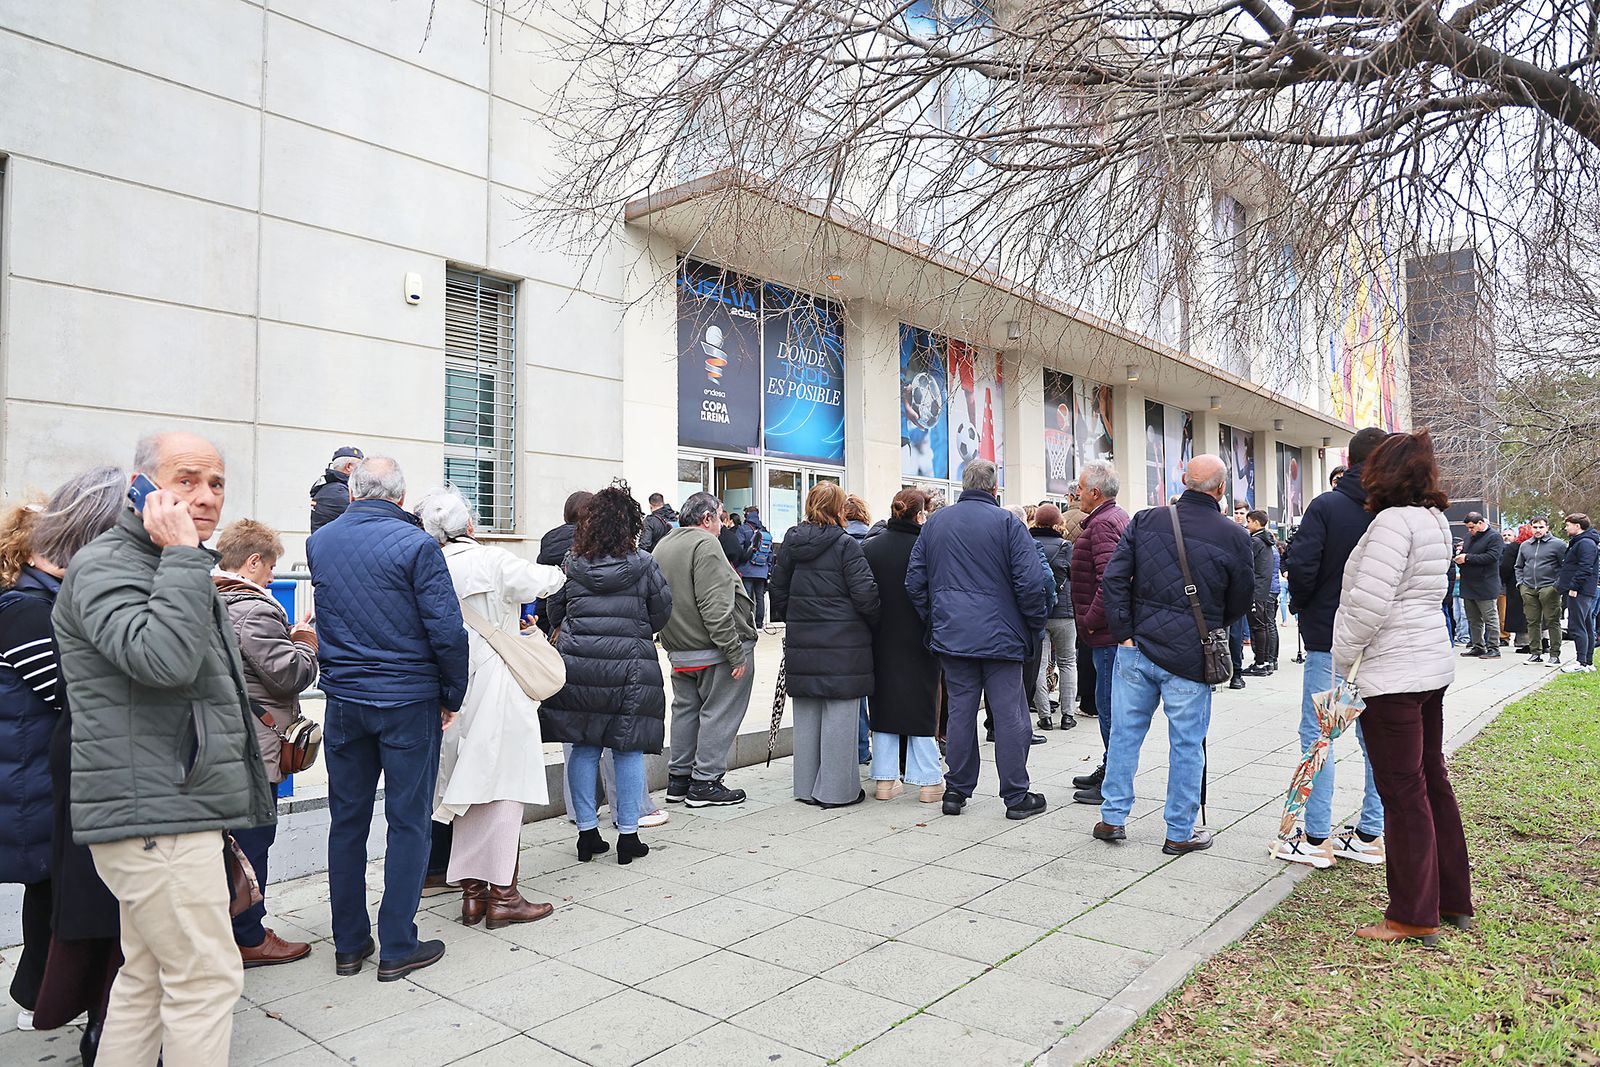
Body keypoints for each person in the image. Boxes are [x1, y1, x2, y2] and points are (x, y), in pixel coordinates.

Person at [53, 433, 275, 1063]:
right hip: (157, 816)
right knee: (206, 981)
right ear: (143, 486)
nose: (205, 497)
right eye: (186, 480)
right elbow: (163, 660)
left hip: (169, 809)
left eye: (217, 483)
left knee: (147, 979)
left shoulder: (161, 562)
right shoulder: (111, 566)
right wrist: (182, 557)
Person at [307, 456, 468, 982]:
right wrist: (452, 695)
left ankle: (349, 944)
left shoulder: (321, 543)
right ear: (401, 498)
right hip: (406, 699)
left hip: (346, 700)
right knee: (408, 820)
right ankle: (398, 941)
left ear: (353, 493)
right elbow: (447, 631)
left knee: (347, 823)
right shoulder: (418, 546)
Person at [5, 469, 126, 1066]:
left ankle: (44, 994)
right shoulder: (26, 610)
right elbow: (73, 693)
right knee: (55, 891)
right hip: (36, 780)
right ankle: (42, 995)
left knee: (53, 889)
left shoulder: (44, 602)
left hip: (37, 773)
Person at [1332, 431, 1469, 945]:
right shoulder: (1433, 519)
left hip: (1392, 673)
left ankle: (1413, 913)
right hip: (1427, 665)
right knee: (1431, 779)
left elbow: (1367, 605)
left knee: (1403, 789)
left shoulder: (1391, 523)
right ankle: (1452, 898)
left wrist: (1342, 657)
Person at [415, 489, 564, 925]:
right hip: (499, 678)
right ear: (471, 526)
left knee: (466, 785)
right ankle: (504, 895)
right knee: (504, 787)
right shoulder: (492, 560)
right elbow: (546, 581)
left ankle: (473, 894)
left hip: (454, 686)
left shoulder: (430, 564)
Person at [1092, 454, 1252, 855]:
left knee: (1125, 735)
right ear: (1221, 489)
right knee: (1186, 742)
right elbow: (1241, 600)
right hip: (1193, 656)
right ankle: (1179, 830)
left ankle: (1113, 817)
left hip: (1138, 649)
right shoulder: (1234, 535)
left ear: (1183, 480)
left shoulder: (1147, 520)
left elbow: (1114, 579)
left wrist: (1125, 633)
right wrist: (1213, 625)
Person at [908, 459, 1048, 821]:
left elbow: (915, 581)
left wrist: (937, 617)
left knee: (960, 711)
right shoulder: (1008, 524)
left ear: (963, 485)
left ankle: (956, 789)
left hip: (954, 634)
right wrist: (1032, 625)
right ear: (994, 488)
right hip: (1001, 636)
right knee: (1009, 714)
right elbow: (1030, 583)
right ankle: (1016, 795)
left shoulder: (936, 523)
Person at [541, 485, 673, 864]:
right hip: (631, 665)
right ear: (630, 524)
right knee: (627, 748)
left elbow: (555, 609)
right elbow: (661, 611)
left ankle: (586, 833)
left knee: (582, 746)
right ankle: (628, 836)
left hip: (579, 664)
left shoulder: (571, 563)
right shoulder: (644, 563)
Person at [1279, 426, 1391, 869]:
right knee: (1376, 739)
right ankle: (1369, 832)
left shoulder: (1326, 506)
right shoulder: (1396, 510)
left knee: (1320, 737)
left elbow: (1303, 565)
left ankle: (1317, 836)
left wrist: (1304, 607)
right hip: (1382, 642)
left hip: (1329, 636)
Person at [212, 520, 317, 968]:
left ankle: (227, 930)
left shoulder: (206, 597)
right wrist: (306, 641)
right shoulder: (252, 610)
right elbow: (289, 674)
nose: (273, 577)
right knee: (254, 840)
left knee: (227, 842)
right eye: (270, 567)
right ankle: (249, 935)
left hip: (220, 739)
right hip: (252, 746)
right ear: (252, 562)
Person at [770, 483, 881, 807]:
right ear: (839, 509)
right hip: (843, 643)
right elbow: (866, 595)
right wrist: (869, 624)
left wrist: (799, 617)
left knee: (806, 714)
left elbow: (777, 589)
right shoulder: (846, 545)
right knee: (840, 716)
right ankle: (835, 791)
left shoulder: (791, 541)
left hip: (804, 641)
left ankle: (805, 788)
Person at [654, 492, 757, 807]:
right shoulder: (705, 544)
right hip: (713, 649)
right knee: (719, 712)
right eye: (721, 516)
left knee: (686, 710)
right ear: (706, 518)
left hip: (679, 648)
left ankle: (680, 780)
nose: (724, 523)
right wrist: (734, 652)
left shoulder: (664, 544)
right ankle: (705, 783)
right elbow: (715, 606)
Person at [861, 489, 944, 802]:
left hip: (881, 636)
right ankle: (928, 780)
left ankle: (885, 780)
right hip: (920, 637)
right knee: (921, 705)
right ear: (921, 514)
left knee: (883, 703)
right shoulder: (927, 548)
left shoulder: (871, 548)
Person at [1068, 459, 1130, 805]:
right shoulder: (1110, 519)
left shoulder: (1105, 524)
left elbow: (1111, 581)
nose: (1076, 492)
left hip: (1105, 635)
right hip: (1106, 634)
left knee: (1109, 711)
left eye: (1079, 487)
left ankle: (1113, 778)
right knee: (1110, 709)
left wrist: (1089, 619)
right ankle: (1110, 767)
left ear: (1094, 491)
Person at [1030, 503, 1077, 732]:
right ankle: (1068, 715)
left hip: (1038, 612)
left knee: (1040, 664)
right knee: (1068, 662)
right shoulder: (1066, 546)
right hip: (1065, 613)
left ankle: (1045, 716)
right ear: (1058, 521)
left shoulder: (1028, 544)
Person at [845, 494, 876, 763]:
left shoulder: (837, 542)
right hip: (869, 624)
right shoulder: (872, 541)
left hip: (843, 628)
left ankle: (857, 748)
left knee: (852, 694)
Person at [1515, 518, 1567, 665]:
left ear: (1547, 528)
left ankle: (1554, 654)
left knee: (1552, 621)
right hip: (1529, 587)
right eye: (1535, 527)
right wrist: (1521, 584)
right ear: (1530, 528)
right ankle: (1535, 653)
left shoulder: (1558, 544)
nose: (1538, 530)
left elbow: (1565, 567)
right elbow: (1518, 566)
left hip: (1549, 587)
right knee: (1532, 622)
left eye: (1541, 527)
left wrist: (1556, 586)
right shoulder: (1525, 545)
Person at [1454, 512, 1503, 658]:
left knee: (1490, 618)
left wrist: (1467, 558)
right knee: (1473, 619)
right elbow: (1465, 552)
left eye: (1472, 527)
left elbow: (1492, 557)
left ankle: (1494, 648)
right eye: (1468, 528)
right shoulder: (1469, 536)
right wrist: (1459, 556)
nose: (1470, 530)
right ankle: (1478, 646)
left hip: (1486, 584)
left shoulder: (1494, 537)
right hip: (1469, 583)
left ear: (1481, 523)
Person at [1557, 513, 1599, 673]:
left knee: (1578, 626)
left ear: (1577, 525)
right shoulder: (1582, 542)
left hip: (1580, 591)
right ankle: (1587, 662)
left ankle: (1581, 662)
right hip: (1583, 590)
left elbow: (1585, 567)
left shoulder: (1585, 543)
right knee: (1587, 625)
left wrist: (1574, 587)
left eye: (1568, 525)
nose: (1566, 528)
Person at [1242, 510, 1280, 675]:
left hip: (1256, 590)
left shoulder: (1256, 541)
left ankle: (1260, 663)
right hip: (1263, 590)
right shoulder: (1267, 541)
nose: (1247, 524)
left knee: (1258, 627)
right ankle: (1263, 662)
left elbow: (1246, 564)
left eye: (1248, 521)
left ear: (1256, 522)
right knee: (1262, 626)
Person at [1225, 501, 1252, 687]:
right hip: (1228, 589)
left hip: (1232, 590)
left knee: (1234, 635)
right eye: (1236, 512)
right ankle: (1233, 673)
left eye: (1241, 512)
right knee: (1229, 634)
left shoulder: (1241, 533)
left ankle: (1235, 673)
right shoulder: (1238, 532)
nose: (1238, 515)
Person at [309, 445, 365, 532]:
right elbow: (365, 516)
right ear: (349, 467)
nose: (364, 473)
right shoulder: (338, 492)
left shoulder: (331, 487)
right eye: (361, 467)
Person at [736, 506, 774, 628]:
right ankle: (759, 623)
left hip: (747, 570)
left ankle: (747, 623)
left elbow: (738, 549)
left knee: (747, 597)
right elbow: (770, 554)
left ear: (746, 515)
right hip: (762, 570)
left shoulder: (743, 529)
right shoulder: (765, 531)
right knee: (759, 597)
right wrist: (768, 569)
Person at [1501, 527, 1527, 650]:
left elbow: (1505, 566)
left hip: (1515, 583)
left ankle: (1522, 641)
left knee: (1518, 613)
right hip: (1532, 582)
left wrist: (1504, 579)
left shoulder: (1514, 547)